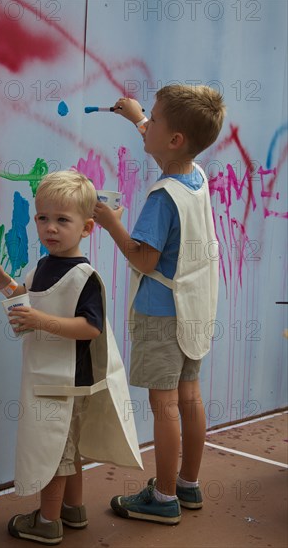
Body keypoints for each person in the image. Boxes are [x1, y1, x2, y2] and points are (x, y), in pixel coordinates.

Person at [0, 170, 142, 544]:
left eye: (62, 220)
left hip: (64, 380)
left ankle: (48, 522)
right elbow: (25, 296)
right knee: (67, 447)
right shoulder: (44, 265)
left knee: (56, 451)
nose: (50, 228)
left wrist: (41, 321)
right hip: (50, 375)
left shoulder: (85, 275)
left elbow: (91, 327)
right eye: (43, 218)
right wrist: (4, 279)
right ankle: (73, 509)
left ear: (86, 228)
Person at [93, 85, 226, 525]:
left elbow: (144, 258)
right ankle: (187, 484)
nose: (146, 123)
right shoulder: (195, 176)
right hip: (194, 308)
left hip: (161, 313)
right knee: (190, 396)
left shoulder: (161, 198)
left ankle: (163, 497)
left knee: (164, 405)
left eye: (153, 117)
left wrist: (111, 222)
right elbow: (165, 149)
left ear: (174, 139)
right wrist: (136, 119)